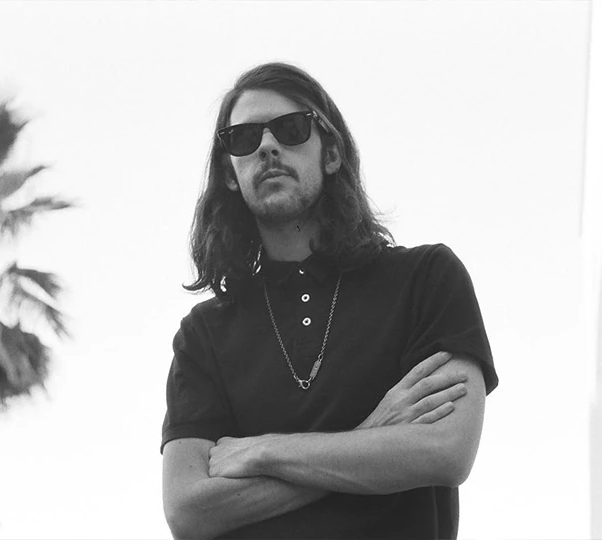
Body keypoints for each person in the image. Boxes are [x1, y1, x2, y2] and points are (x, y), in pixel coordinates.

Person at [161, 62, 498, 540]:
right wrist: (373, 435)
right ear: (231, 175)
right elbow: (188, 512)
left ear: (333, 153)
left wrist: (264, 450)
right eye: (243, 138)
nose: (267, 147)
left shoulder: (426, 278)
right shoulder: (204, 333)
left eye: (291, 128)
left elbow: (445, 450)